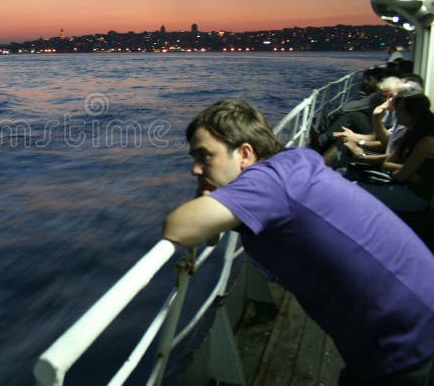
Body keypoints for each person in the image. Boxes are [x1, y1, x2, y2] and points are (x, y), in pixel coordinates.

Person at [162, 100, 434, 384]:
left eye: (204, 156)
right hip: (409, 320)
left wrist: (205, 193)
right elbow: (209, 234)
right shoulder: (292, 161)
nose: (195, 169)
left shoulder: (267, 184)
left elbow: (178, 227)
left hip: (408, 344)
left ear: (244, 153)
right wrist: (208, 185)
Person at [354, 92, 434, 214]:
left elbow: (400, 176)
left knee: (353, 189)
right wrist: (408, 170)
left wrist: (404, 171)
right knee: (343, 174)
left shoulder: (427, 142)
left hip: (415, 197)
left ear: (414, 114)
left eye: (401, 110)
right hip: (402, 185)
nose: (396, 112)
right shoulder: (409, 133)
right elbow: (388, 164)